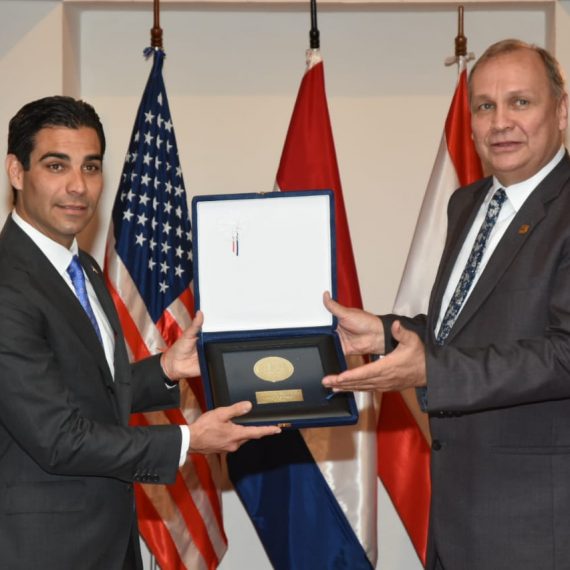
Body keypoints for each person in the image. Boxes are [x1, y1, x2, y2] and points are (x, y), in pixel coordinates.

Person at [0, 96, 281, 570]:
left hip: (110, 542)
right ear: (17, 171)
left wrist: (166, 368)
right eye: (56, 165)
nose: (78, 186)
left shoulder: (82, 267)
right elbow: (59, 437)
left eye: (91, 167)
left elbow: (89, 392)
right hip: (45, 552)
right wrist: (188, 441)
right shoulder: (8, 284)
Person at [323, 39, 570, 570]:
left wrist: (431, 370)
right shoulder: (468, 203)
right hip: (456, 519)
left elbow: (564, 354)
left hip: (538, 529)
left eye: (520, 102)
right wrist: (386, 332)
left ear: (561, 110)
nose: (500, 122)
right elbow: (462, 328)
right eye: (484, 106)